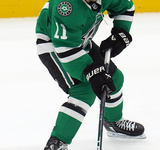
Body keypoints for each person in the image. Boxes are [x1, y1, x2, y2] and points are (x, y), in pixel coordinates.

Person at [35, 0, 146, 149]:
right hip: (54, 45)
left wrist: (121, 31)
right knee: (84, 89)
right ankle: (57, 141)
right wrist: (92, 74)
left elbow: (125, 7)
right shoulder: (66, 6)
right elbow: (66, 49)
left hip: (81, 40)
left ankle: (113, 122)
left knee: (114, 78)